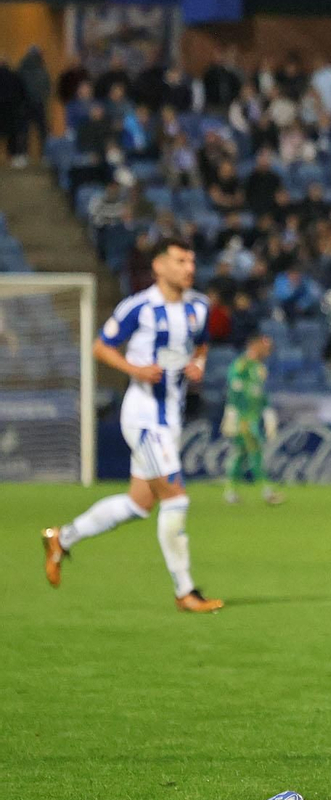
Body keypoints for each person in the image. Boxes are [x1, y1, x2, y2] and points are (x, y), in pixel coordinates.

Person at [41, 239, 225, 613]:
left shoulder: (199, 307)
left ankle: (62, 537)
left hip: (171, 416)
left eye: (191, 260)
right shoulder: (138, 307)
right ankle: (185, 592)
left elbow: (201, 346)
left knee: (139, 503)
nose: (189, 267)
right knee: (176, 497)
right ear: (159, 267)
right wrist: (134, 370)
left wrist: (198, 365)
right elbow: (101, 346)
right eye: (180, 260)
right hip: (143, 416)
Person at [222, 333, 285, 506]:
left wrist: (268, 412)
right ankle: (266, 491)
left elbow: (260, 393)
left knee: (241, 454)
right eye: (264, 346)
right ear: (254, 345)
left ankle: (230, 491)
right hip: (243, 417)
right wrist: (232, 411)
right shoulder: (241, 365)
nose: (268, 350)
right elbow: (234, 389)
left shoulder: (260, 368)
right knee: (255, 449)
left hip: (254, 416)